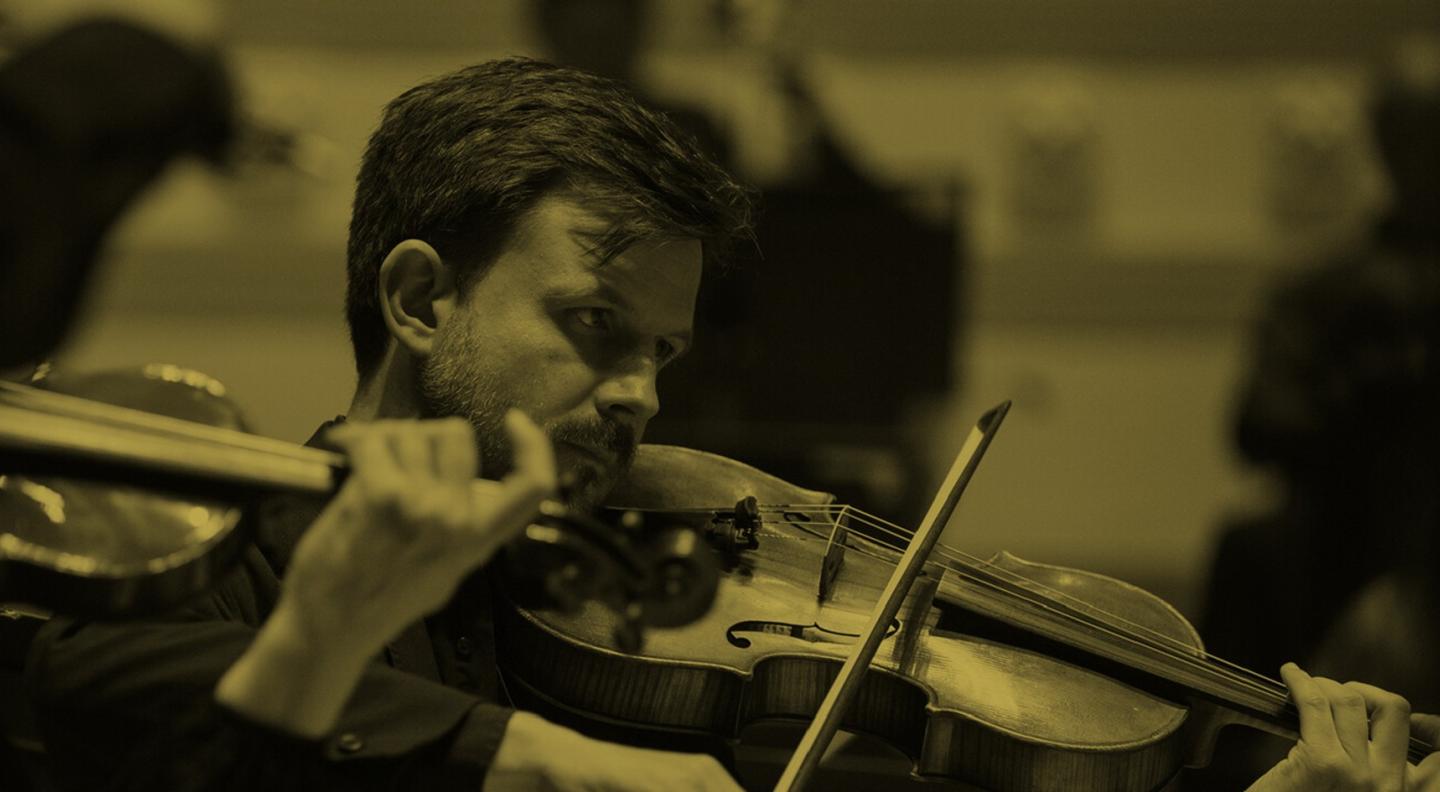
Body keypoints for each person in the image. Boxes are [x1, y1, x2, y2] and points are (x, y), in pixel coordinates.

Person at [19, 55, 1435, 792]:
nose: (640, 396)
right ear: (417, 297)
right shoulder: (205, 566)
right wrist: (504, 747)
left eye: (664, 352)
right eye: (592, 327)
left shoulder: (650, 640)